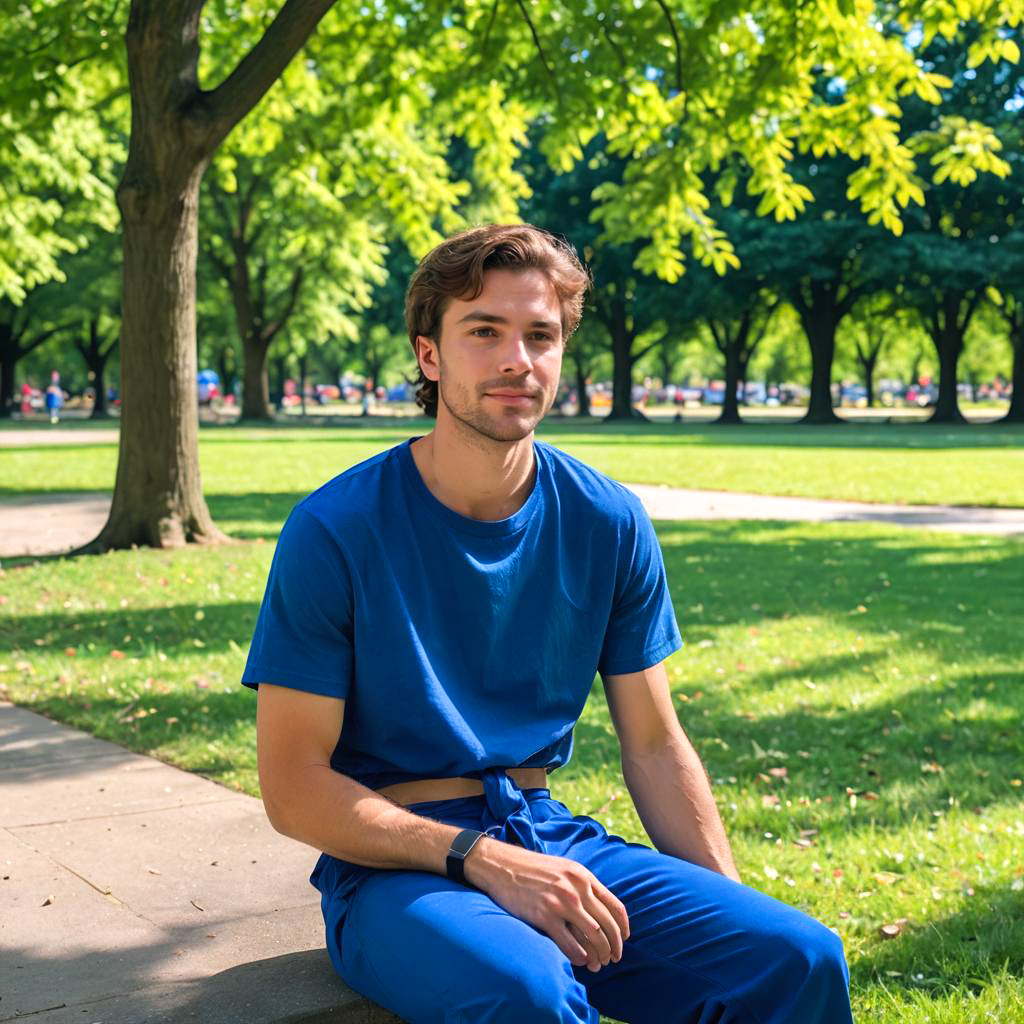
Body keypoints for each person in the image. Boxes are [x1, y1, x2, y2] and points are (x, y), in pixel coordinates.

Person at [243, 224, 854, 1024]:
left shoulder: (607, 519)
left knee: (795, 956)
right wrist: (477, 858)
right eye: (484, 332)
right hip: (395, 869)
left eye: (541, 336)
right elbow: (294, 790)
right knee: (525, 993)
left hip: (549, 834)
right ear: (429, 355)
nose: (516, 361)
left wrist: (722, 913)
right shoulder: (336, 528)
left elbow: (656, 743)